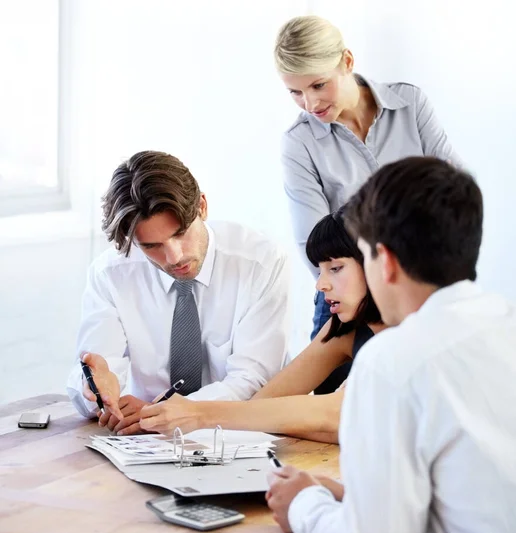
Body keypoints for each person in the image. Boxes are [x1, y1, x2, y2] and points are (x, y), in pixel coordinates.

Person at [266, 157, 516, 533]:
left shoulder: (394, 359)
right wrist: (349, 494)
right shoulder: (502, 324)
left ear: (385, 261)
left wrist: (304, 506)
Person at [274, 15, 462, 391]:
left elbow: (452, 198)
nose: (308, 103)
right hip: (351, 300)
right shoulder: (300, 142)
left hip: (420, 291)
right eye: (294, 92)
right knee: (325, 423)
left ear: (346, 61)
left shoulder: (410, 104)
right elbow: (315, 243)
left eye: (317, 84)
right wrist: (365, 301)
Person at [66, 150, 290, 427]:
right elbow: (95, 369)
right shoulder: (111, 274)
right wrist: (97, 392)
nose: (174, 257)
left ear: (202, 207)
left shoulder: (260, 263)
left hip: (235, 433)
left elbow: (255, 380)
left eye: (181, 233)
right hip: (145, 439)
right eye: (152, 246)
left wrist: (165, 412)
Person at [135, 207, 384, 442]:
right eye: (320, 271)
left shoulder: (413, 336)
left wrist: (199, 414)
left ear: (379, 262)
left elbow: (342, 414)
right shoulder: (343, 329)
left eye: (336, 268)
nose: (320, 285)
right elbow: (264, 403)